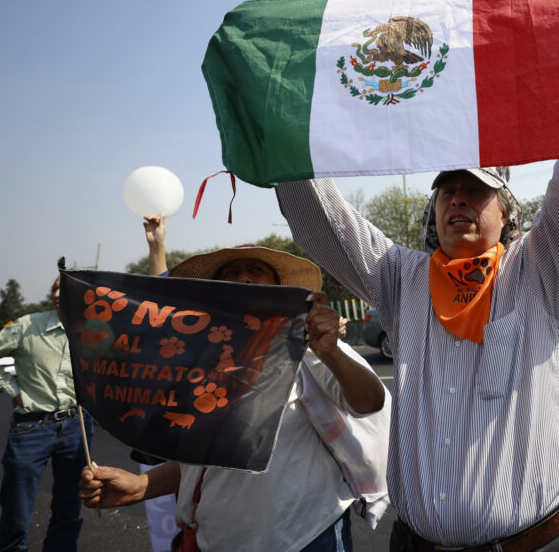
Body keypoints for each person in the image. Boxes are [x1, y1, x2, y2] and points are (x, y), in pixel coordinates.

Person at [273, 0, 559, 552]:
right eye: (447, 191)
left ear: (507, 212)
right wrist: (283, 119)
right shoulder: (402, 277)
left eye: (476, 191)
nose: (458, 201)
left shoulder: (542, 271)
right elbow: (322, 220)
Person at [78, 217, 388, 551]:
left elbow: (369, 402)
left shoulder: (304, 343)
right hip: (216, 540)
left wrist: (331, 352)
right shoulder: (199, 360)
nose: (244, 279)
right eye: (231, 273)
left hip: (304, 537)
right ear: (215, 293)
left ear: (277, 288)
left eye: (256, 271)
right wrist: (140, 485)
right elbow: (206, 460)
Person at [0, 271, 94, 552]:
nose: (56, 294)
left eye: (63, 288)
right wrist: (12, 390)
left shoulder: (97, 331)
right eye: (54, 288)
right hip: (31, 428)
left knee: (69, 509)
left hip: (78, 428)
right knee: (16, 511)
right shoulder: (26, 326)